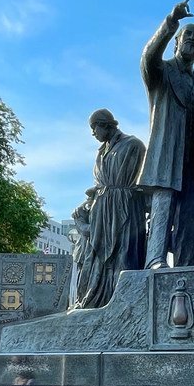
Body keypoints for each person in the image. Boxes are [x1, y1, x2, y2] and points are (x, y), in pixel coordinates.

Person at [138, 0, 194, 269]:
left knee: (191, 213)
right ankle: (155, 259)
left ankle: (188, 263)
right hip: (167, 153)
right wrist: (171, 22)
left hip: (193, 159)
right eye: (187, 35)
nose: (191, 40)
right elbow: (148, 55)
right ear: (176, 42)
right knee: (163, 206)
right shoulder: (161, 73)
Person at [72, 109, 147, 309]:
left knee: (123, 254)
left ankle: (122, 303)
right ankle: (97, 299)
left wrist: (111, 193)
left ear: (105, 124)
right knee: (96, 260)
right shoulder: (101, 152)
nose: (93, 133)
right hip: (101, 211)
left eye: (93, 127)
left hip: (125, 208)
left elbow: (139, 183)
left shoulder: (133, 145)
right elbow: (100, 184)